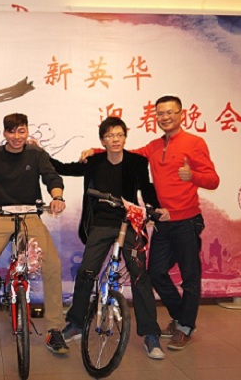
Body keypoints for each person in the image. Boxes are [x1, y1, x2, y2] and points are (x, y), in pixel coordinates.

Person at [82, 95, 220, 350]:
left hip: (187, 221)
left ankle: (185, 327)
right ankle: (180, 317)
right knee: (155, 273)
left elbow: (213, 180)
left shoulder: (194, 143)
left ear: (181, 114)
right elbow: (126, 154)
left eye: (170, 112)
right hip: (162, 222)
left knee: (190, 277)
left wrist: (193, 175)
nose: (165, 117)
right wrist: (96, 151)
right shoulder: (155, 146)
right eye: (160, 113)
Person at [48, 116, 166, 360]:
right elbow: (65, 168)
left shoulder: (137, 162)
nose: (115, 139)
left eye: (120, 135)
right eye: (110, 135)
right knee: (86, 272)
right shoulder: (94, 161)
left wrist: (155, 207)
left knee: (140, 275)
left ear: (125, 137)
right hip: (100, 224)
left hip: (129, 223)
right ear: (102, 140)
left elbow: (146, 188)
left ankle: (150, 334)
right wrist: (39, 152)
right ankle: (76, 323)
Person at [0, 113, 69, 356]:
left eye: (22, 131)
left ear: (27, 131)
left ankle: (54, 329)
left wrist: (57, 197)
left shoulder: (36, 154)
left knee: (53, 265)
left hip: (30, 215)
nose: (17, 137)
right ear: (4, 133)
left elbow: (52, 177)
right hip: (0, 216)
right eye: (12, 131)